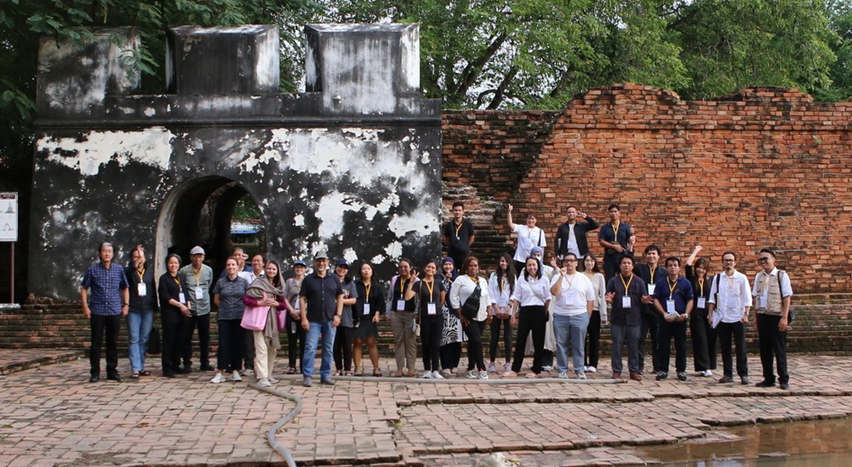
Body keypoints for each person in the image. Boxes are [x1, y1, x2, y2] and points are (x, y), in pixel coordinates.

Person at [81, 242, 130, 382]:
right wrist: (85, 307)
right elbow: (84, 288)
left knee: (112, 342)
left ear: (113, 254)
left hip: (114, 310)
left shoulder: (119, 270)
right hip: (97, 310)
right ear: (100, 253)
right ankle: (95, 372)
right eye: (104, 251)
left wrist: (126, 305)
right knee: (96, 343)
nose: (107, 253)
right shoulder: (92, 270)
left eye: (109, 251)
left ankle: (112, 370)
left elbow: (125, 287)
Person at [708, 251, 752, 385]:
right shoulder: (717, 278)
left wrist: (746, 313)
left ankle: (743, 374)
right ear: (722, 263)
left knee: (740, 347)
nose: (728, 262)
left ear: (735, 262)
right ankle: (728, 373)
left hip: (738, 317)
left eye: (731, 260)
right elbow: (712, 298)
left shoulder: (741, 278)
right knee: (725, 347)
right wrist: (710, 314)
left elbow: (747, 298)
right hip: (723, 317)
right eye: (726, 260)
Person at [300, 251, 344, 387]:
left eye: (324, 260)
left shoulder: (334, 278)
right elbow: (302, 299)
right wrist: (303, 318)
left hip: (330, 320)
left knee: (328, 348)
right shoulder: (308, 279)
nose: (321, 263)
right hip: (313, 319)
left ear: (328, 262)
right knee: (310, 348)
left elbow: (340, 296)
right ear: (315, 262)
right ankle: (308, 375)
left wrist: (338, 315)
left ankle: (325, 374)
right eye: (319, 260)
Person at [605, 255, 652, 381]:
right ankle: (616, 370)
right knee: (617, 345)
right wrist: (609, 300)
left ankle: (634, 370)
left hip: (634, 319)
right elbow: (608, 296)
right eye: (624, 263)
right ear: (620, 265)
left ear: (632, 266)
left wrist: (644, 300)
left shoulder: (639, 281)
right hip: (617, 318)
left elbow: (643, 297)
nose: (626, 265)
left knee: (634, 346)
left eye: (629, 263)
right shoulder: (613, 281)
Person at [549, 253, 595, 379]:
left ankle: (579, 370)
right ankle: (562, 370)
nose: (569, 263)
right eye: (566, 261)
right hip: (561, 315)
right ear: (563, 263)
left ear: (576, 263)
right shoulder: (557, 276)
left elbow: (590, 300)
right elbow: (554, 292)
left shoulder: (583, 278)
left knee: (578, 345)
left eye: (571, 261)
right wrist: (561, 277)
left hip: (579, 315)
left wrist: (587, 317)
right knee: (561, 344)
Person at [752, 248, 793, 390]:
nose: (763, 261)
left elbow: (786, 297)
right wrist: (755, 318)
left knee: (779, 349)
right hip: (763, 315)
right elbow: (756, 298)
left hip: (776, 316)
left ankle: (784, 379)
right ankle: (768, 378)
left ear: (773, 260)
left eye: (766, 258)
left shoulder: (781, 276)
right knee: (765, 349)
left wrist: (784, 317)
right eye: (761, 259)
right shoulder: (759, 276)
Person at [504, 256, 551, 379]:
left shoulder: (544, 279)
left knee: (538, 341)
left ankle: (536, 369)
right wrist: (513, 315)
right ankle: (515, 369)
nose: (532, 267)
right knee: (520, 340)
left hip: (539, 310)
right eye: (529, 265)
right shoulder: (522, 280)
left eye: (534, 265)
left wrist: (544, 312)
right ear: (526, 267)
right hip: (525, 311)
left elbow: (547, 299)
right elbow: (517, 298)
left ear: (538, 266)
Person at [449, 256, 492, 379]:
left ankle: (471, 367)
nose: (473, 268)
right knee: (477, 340)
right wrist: (460, 314)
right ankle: (481, 367)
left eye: (475, 266)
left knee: (473, 342)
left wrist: (489, 310)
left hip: (482, 315)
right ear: (466, 267)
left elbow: (487, 296)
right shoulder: (461, 279)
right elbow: (453, 297)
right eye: (471, 266)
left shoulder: (482, 281)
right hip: (468, 316)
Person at [244, 260, 286, 387]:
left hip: (273, 322)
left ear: (277, 271)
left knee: (272, 349)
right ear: (265, 269)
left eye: (274, 269)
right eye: (269, 268)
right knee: (261, 349)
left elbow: (283, 304)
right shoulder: (258, 282)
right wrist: (259, 303)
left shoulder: (278, 286)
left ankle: (268, 375)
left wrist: (276, 303)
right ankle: (262, 377)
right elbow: (246, 299)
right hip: (259, 321)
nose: (271, 271)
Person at [652, 256, 694, 381]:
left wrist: (686, 314)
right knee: (663, 345)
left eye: (675, 265)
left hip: (680, 319)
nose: (673, 268)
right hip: (665, 319)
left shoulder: (685, 283)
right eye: (670, 265)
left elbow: (690, 300)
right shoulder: (661, 283)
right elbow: (656, 299)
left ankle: (681, 370)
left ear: (679, 267)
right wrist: (664, 313)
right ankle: (662, 370)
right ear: (666, 267)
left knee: (681, 345)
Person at [210, 258, 249, 383]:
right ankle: (221, 371)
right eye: (228, 265)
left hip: (239, 317)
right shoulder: (221, 282)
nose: (231, 267)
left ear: (237, 267)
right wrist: (225, 307)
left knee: (238, 344)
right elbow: (216, 299)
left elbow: (247, 298)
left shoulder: (244, 282)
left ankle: (236, 370)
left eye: (233, 264)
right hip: (224, 317)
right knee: (223, 344)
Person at [405, 260, 446, 379]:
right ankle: (427, 369)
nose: (430, 269)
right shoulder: (419, 283)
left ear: (436, 270)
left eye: (433, 268)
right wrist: (411, 282)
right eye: (428, 267)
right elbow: (408, 297)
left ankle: (435, 370)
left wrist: (436, 309)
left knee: (436, 344)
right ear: (424, 268)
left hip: (437, 316)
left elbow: (442, 299)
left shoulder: (439, 283)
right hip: (424, 317)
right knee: (426, 344)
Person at [179, 246, 214, 372]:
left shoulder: (208, 270)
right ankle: (187, 363)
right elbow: (182, 287)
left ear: (203, 257)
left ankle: (205, 362)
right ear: (191, 257)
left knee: (204, 337)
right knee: (186, 336)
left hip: (204, 307)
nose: (198, 259)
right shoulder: (184, 271)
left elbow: (208, 285)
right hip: (190, 307)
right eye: (195, 256)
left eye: (200, 256)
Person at [124, 244, 157, 379]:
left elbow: (153, 290)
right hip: (133, 308)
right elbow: (126, 279)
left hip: (147, 309)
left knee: (144, 338)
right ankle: (135, 368)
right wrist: (134, 265)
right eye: (135, 257)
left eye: (141, 256)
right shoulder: (129, 272)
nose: (139, 259)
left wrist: (155, 308)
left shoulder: (149, 271)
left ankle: (141, 366)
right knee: (134, 338)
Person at [158, 254, 192, 378]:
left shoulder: (181, 277)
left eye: (176, 263)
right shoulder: (164, 279)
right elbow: (165, 296)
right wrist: (180, 305)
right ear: (167, 264)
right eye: (171, 263)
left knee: (179, 340)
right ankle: (167, 367)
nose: (174, 265)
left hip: (182, 314)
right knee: (169, 341)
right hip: (170, 313)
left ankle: (176, 364)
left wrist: (188, 307)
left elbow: (186, 293)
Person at [634, 245, 666, 375]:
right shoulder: (640, 269)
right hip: (643, 310)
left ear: (658, 256)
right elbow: (628, 262)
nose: (651, 256)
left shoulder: (663, 272)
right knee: (640, 338)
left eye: (654, 254)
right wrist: (630, 247)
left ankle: (657, 366)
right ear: (645, 255)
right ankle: (639, 366)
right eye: (649, 254)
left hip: (658, 310)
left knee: (657, 340)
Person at [686, 246, 716, 377]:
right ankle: (703, 366)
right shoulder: (692, 280)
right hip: (696, 312)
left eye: (703, 268)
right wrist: (696, 251)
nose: (700, 270)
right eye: (699, 267)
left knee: (710, 339)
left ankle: (709, 364)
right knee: (700, 339)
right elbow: (687, 265)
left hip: (709, 312)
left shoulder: (711, 281)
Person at [387, 258, 418, 377]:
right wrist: (388, 312)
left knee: (410, 341)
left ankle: (411, 368)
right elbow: (390, 297)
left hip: (410, 313)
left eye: (406, 267)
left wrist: (416, 314)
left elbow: (418, 299)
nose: (403, 269)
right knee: (398, 341)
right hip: (396, 313)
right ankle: (399, 368)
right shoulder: (395, 279)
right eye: (401, 267)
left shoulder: (415, 280)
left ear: (410, 268)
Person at [353, 262, 384, 376]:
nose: (366, 271)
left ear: (372, 271)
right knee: (357, 341)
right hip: (358, 317)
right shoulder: (355, 285)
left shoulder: (376, 286)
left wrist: (377, 314)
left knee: (371, 342)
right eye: (364, 269)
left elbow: (380, 302)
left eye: (368, 269)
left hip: (370, 318)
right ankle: (357, 368)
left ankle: (376, 368)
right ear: (360, 271)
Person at [487, 253, 516, 373]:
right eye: (502, 261)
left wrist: (509, 306)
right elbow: (490, 292)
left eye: (506, 261)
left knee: (508, 337)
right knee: (494, 336)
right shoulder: (493, 276)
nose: (504, 263)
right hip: (496, 309)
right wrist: (496, 307)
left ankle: (508, 362)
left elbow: (515, 292)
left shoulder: (513, 276)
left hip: (508, 309)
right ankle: (492, 362)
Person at [580, 253, 607, 373]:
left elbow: (603, 295)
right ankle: (582, 363)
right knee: (581, 338)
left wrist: (603, 313)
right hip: (581, 310)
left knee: (594, 338)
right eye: (587, 260)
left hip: (595, 310)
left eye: (591, 261)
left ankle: (593, 363)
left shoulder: (599, 276)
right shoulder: (579, 276)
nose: (589, 263)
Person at [240, 253, 266, 376]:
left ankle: (263, 367)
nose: (256, 263)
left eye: (258, 261)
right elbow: (233, 271)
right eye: (254, 261)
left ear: (263, 263)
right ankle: (249, 366)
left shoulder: (267, 276)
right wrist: (240, 260)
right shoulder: (246, 275)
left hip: (264, 312)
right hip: (250, 311)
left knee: (262, 341)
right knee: (248, 340)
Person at [439, 257, 466, 375]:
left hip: (457, 313)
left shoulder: (459, 279)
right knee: (445, 340)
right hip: (445, 313)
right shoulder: (439, 278)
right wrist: (446, 279)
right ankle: (445, 365)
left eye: (450, 264)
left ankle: (454, 364)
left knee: (456, 340)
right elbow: (441, 293)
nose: (448, 267)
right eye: (445, 264)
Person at [333, 259, 358, 376]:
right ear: (335, 267)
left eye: (345, 268)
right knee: (335, 345)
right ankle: (338, 368)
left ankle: (348, 368)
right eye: (340, 267)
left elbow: (354, 300)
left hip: (347, 318)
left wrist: (340, 301)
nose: (342, 270)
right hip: (332, 317)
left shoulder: (350, 283)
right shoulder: (330, 281)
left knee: (347, 345)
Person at [598, 203, 635, 280]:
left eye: (615, 211)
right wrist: (614, 246)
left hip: (622, 257)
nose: (613, 213)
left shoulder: (625, 226)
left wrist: (632, 239)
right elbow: (601, 241)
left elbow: (629, 240)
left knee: (623, 278)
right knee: (609, 279)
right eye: (611, 212)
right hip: (609, 258)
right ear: (609, 213)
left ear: (619, 213)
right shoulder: (605, 227)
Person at [508, 203, 546, 273]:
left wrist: (540, 259)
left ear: (536, 220)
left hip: (533, 260)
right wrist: (509, 212)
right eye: (529, 219)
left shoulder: (540, 231)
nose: (530, 221)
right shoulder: (521, 228)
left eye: (532, 219)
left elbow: (542, 247)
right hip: (520, 259)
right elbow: (510, 225)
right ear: (526, 220)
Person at [283, 259, 306, 375]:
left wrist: (300, 311)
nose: (299, 269)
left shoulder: (308, 281)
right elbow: (284, 297)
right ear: (294, 269)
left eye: (301, 267)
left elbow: (311, 298)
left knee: (304, 341)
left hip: (304, 315)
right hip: (291, 314)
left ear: (305, 269)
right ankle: (292, 366)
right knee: (292, 341)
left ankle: (303, 366)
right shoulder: (289, 282)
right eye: (297, 267)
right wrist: (292, 310)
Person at [443, 201, 475, 267]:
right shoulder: (449, 225)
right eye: (456, 210)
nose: (457, 212)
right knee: (452, 270)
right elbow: (446, 239)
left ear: (463, 212)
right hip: (452, 253)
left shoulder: (468, 224)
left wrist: (465, 246)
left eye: (459, 210)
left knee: (464, 270)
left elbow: (471, 237)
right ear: (452, 211)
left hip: (464, 254)